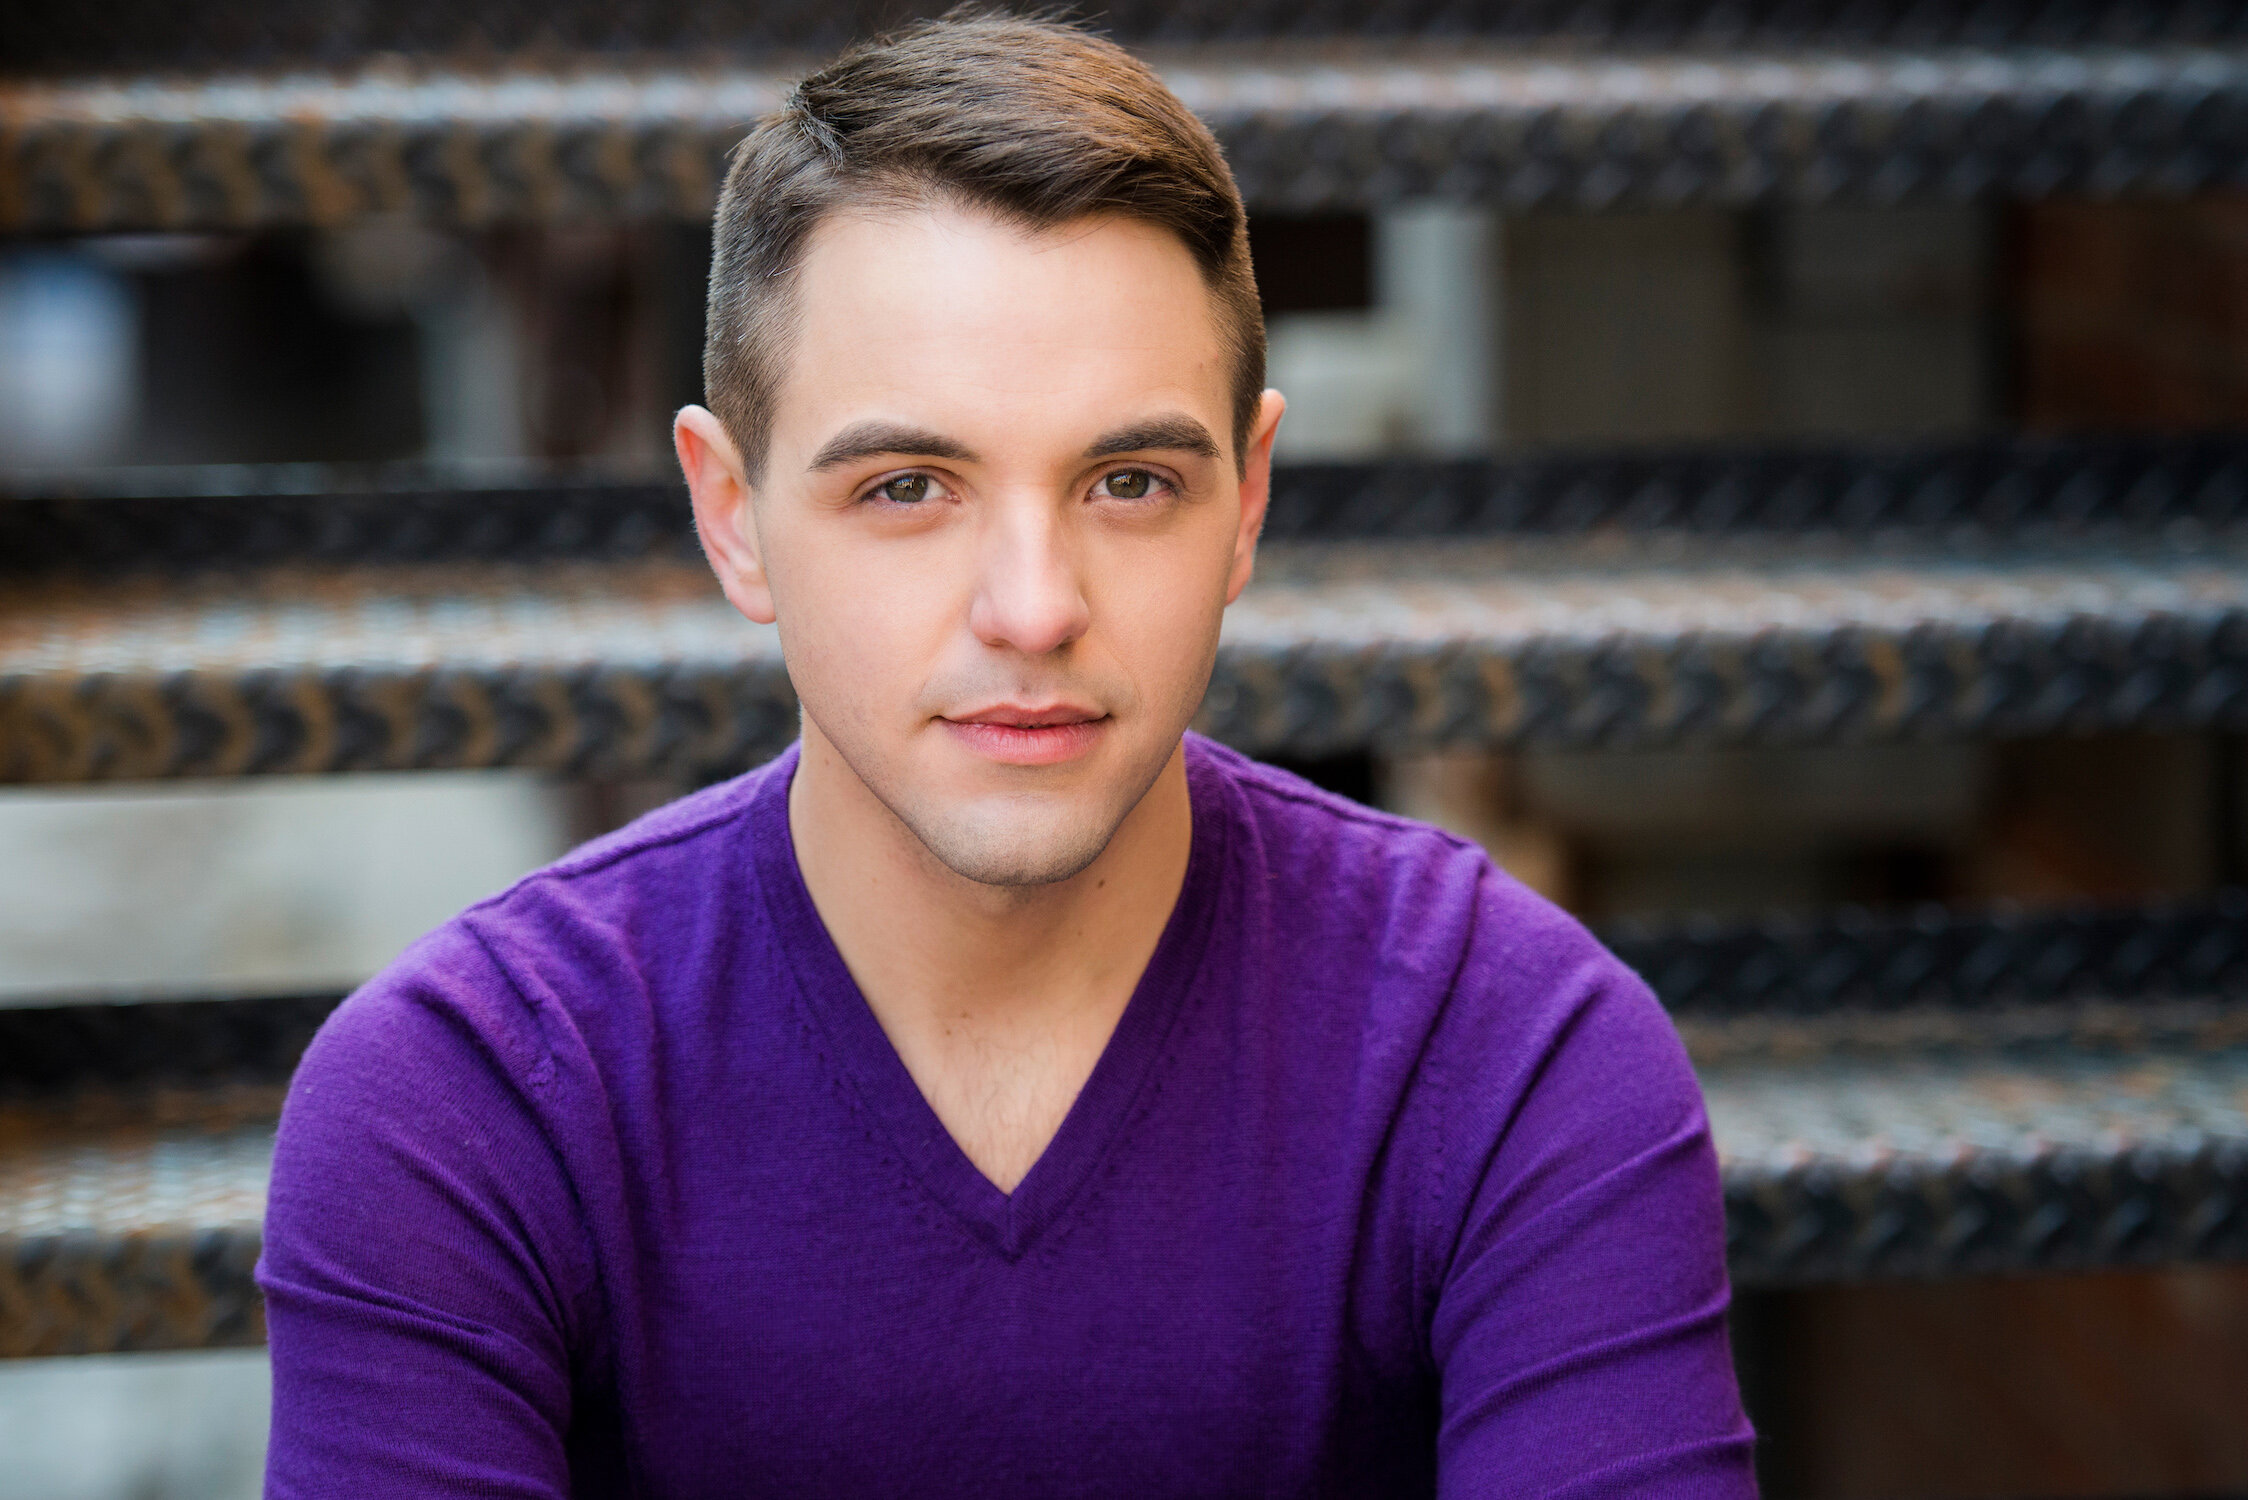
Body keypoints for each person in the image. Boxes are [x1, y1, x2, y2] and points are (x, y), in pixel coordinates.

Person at [258, 14, 1756, 1496]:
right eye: (910, 487)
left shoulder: (1513, 1055)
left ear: (1247, 504)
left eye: (1130, 482)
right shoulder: (464, 1106)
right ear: (730, 515)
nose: (1033, 609)